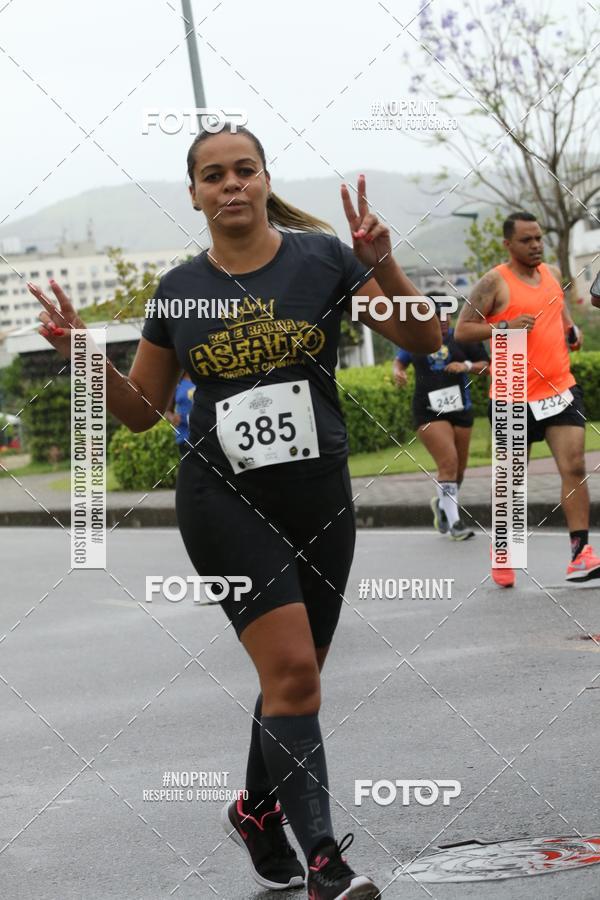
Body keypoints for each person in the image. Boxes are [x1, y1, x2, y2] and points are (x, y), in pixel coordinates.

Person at [28, 124, 441, 900]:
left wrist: (383, 260)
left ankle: (256, 810)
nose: (231, 184)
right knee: (293, 672)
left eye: (244, 170)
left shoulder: (324, 259)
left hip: (319, 495)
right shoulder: (179, 290)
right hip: (223, 499)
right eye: (213, 175)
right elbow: (141, 412)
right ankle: (326, 863)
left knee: (295, 679)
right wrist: (83, 350)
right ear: (194, 195)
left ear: (264, 179)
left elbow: (424, 336)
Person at [455, 210, 600, 588]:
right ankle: (504, 551)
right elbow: (463, 330)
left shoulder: (551, 272)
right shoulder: (494, 282)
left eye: (538, 238)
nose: (535, 245)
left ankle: (580, 553)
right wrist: (503, 326)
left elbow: (558, 307)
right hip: (512, 395)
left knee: (574, 466)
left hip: (559, 389)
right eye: (526, 240)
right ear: (508, 244)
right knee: (511, 481)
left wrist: (571, 330)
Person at [393, 299, 489, 540]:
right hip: (428, 410)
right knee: (448, 462)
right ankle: (455, 523)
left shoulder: (463, 338)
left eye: (447, 316)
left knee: (459, 470)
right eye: (438, 317)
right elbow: (400, 361)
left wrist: (466, 365)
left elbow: (488, 366)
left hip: (461, 409)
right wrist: (398, 372)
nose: (444, 321)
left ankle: (443, 504)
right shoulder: (416, 339)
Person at [165, 372, 196, 457]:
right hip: (184, 436)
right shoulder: (176, 383)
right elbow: (167, 411)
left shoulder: (203, 378)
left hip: (204, 435)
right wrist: (173, 418)